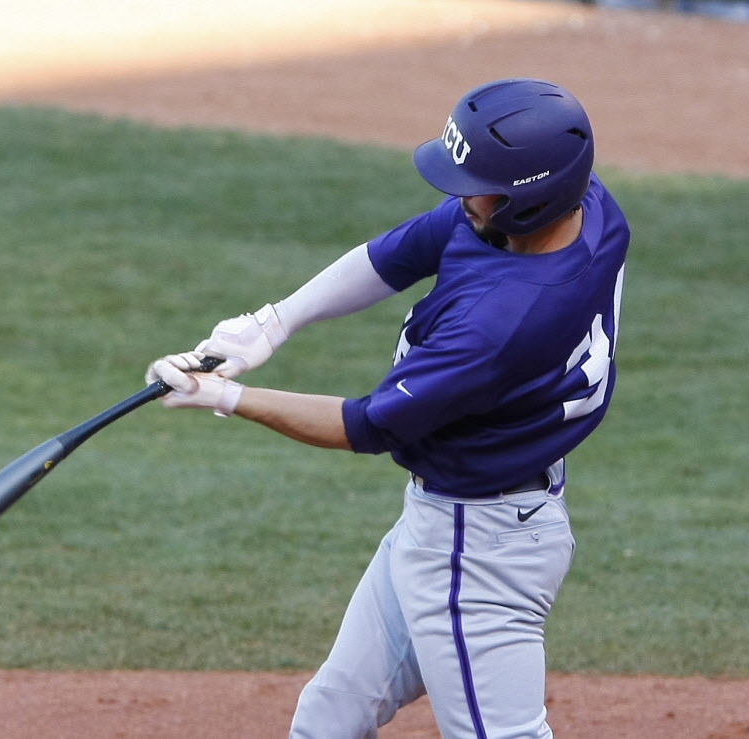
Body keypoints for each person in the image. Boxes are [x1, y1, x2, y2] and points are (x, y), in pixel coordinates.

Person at [146, 78, 629, 738]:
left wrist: (227, 396)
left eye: (477, 181)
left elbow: (365, 424)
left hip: (477, 547)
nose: (461, 193)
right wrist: (273, 322)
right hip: (456, 522)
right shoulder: (588, 211)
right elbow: (405, 249)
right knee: (331, 718)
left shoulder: (501, 325)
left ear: (528, 198)